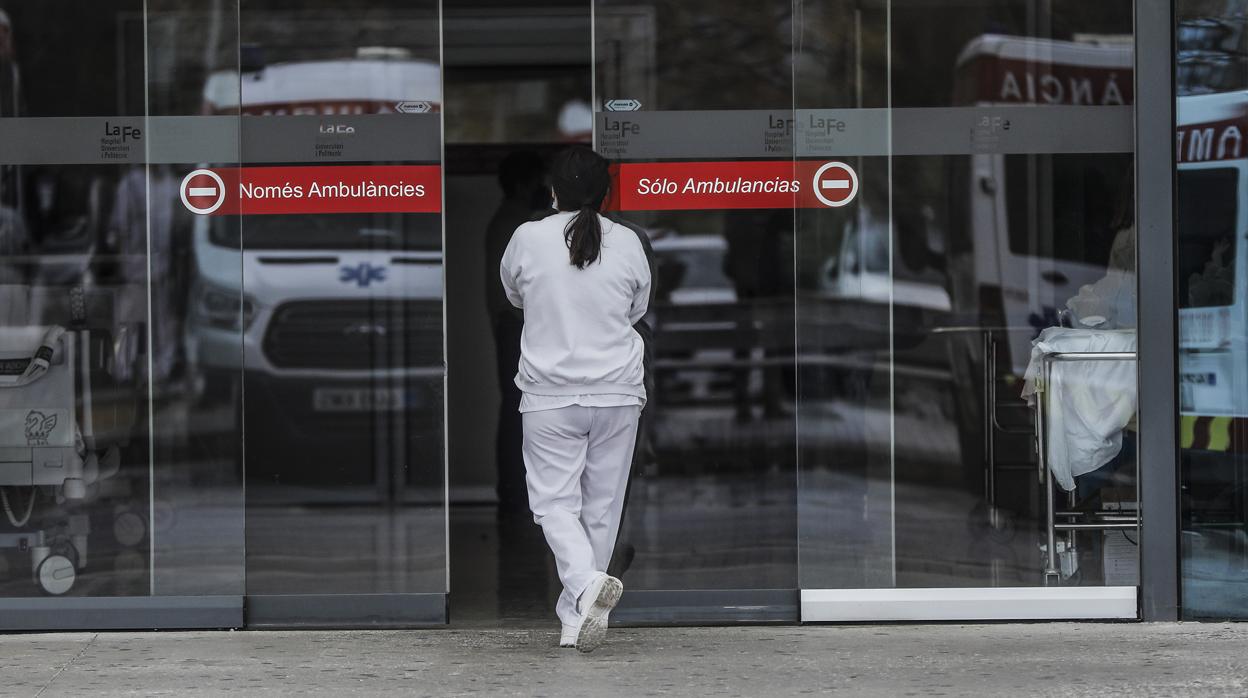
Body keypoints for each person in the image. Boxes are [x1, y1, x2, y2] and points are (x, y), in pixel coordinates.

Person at [500, 146, 650, 652]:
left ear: (553, 192)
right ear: (606, 195)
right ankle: (576, 617)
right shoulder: (628, 242)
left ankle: (585, 587)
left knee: (553, 504)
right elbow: (636, 309)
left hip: (550, 396)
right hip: (616, 392)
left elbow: (515, 295)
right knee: (602, 508)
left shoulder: (527, 237)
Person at [485, 151, 550, 514]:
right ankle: (514, 492)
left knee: (515, 409)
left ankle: (514, 491)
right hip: (515, 326)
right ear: (526, 183)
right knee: (517, 409)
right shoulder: (517, 225)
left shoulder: (510, 221)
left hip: (512, 324)